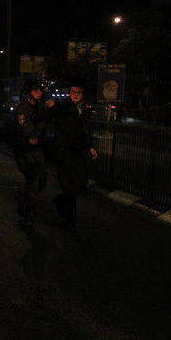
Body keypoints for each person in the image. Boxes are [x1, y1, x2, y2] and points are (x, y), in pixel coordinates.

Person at [46, 79, 98, 229]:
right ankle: (69, 220)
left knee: (73, 187)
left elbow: (82, 131)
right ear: (69, 93)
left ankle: (66, 213)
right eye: (73, 92)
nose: (75, 95)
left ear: (82, 95)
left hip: (76, 153)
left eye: (78, 93)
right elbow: (50, 115)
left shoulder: (81, 109)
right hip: (63, 152)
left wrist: (89, 147)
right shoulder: (63, 105)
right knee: (69, 187)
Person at [14, 77, 48, 227]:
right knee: (33, 181)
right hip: (24, 151)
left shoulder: (40, 107)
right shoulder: (22, 109)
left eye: (40, 90)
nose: (39, 93)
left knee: (42, 179)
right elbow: (30, 133)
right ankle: (28, 216)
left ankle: (25, 199)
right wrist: (43, 118)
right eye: (36, 90)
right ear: (28, 92)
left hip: (38, 150)